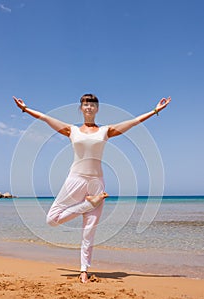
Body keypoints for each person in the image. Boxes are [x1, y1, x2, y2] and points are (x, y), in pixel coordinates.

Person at [13, 94, 171, 283]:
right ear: (81, 108)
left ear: (97, 109)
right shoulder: (71, 130)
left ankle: (83, 270)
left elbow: (133, 122)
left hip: (96, 182)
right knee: (51, 219)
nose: (89, 107)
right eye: (85, 104)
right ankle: (87, 206)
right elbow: (46, 118)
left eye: (92, 105)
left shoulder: (105, 131)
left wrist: (155, 111)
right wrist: (25, 108)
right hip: (75, 179)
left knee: (89, 230)